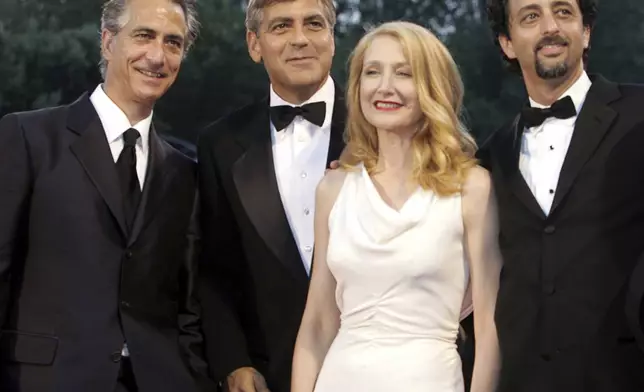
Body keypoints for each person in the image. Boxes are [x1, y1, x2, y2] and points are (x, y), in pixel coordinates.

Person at [0, 0, 213, 391]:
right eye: (144, 36)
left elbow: (188, 301)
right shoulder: (27, 138)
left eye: (173, 43)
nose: (157, 56)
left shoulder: (185, 172)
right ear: (107, 42)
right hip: (41, 380)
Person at [290, 21, 502, 392]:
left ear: (432, 88)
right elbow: (318, 322)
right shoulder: (334, 189)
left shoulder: (471, 188)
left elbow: (489, 327)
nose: (384, 86)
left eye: (403, 73)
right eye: (372, 72)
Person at [480, 0, 644, 390]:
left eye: (564, 12)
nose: (550, 27)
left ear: (585, 31)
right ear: (506, 42)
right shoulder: (489, 157)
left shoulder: (640, 114)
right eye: (531, 17)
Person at [196, 0, 345, 391]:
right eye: (281, 27)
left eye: (313, 24)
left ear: (332, 37)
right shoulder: (220, 144)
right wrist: (233, 360)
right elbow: (214, 269)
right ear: (254, 44)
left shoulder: (383, 127)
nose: (300, 39)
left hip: (377, 369)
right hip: (266, 376)